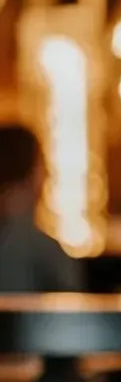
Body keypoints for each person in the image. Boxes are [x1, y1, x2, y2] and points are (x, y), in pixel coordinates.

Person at [0, 124, 84, 294]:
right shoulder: (45, 252)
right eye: (42, 164)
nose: (48, 175)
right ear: (33, 174)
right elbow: (74, 312)